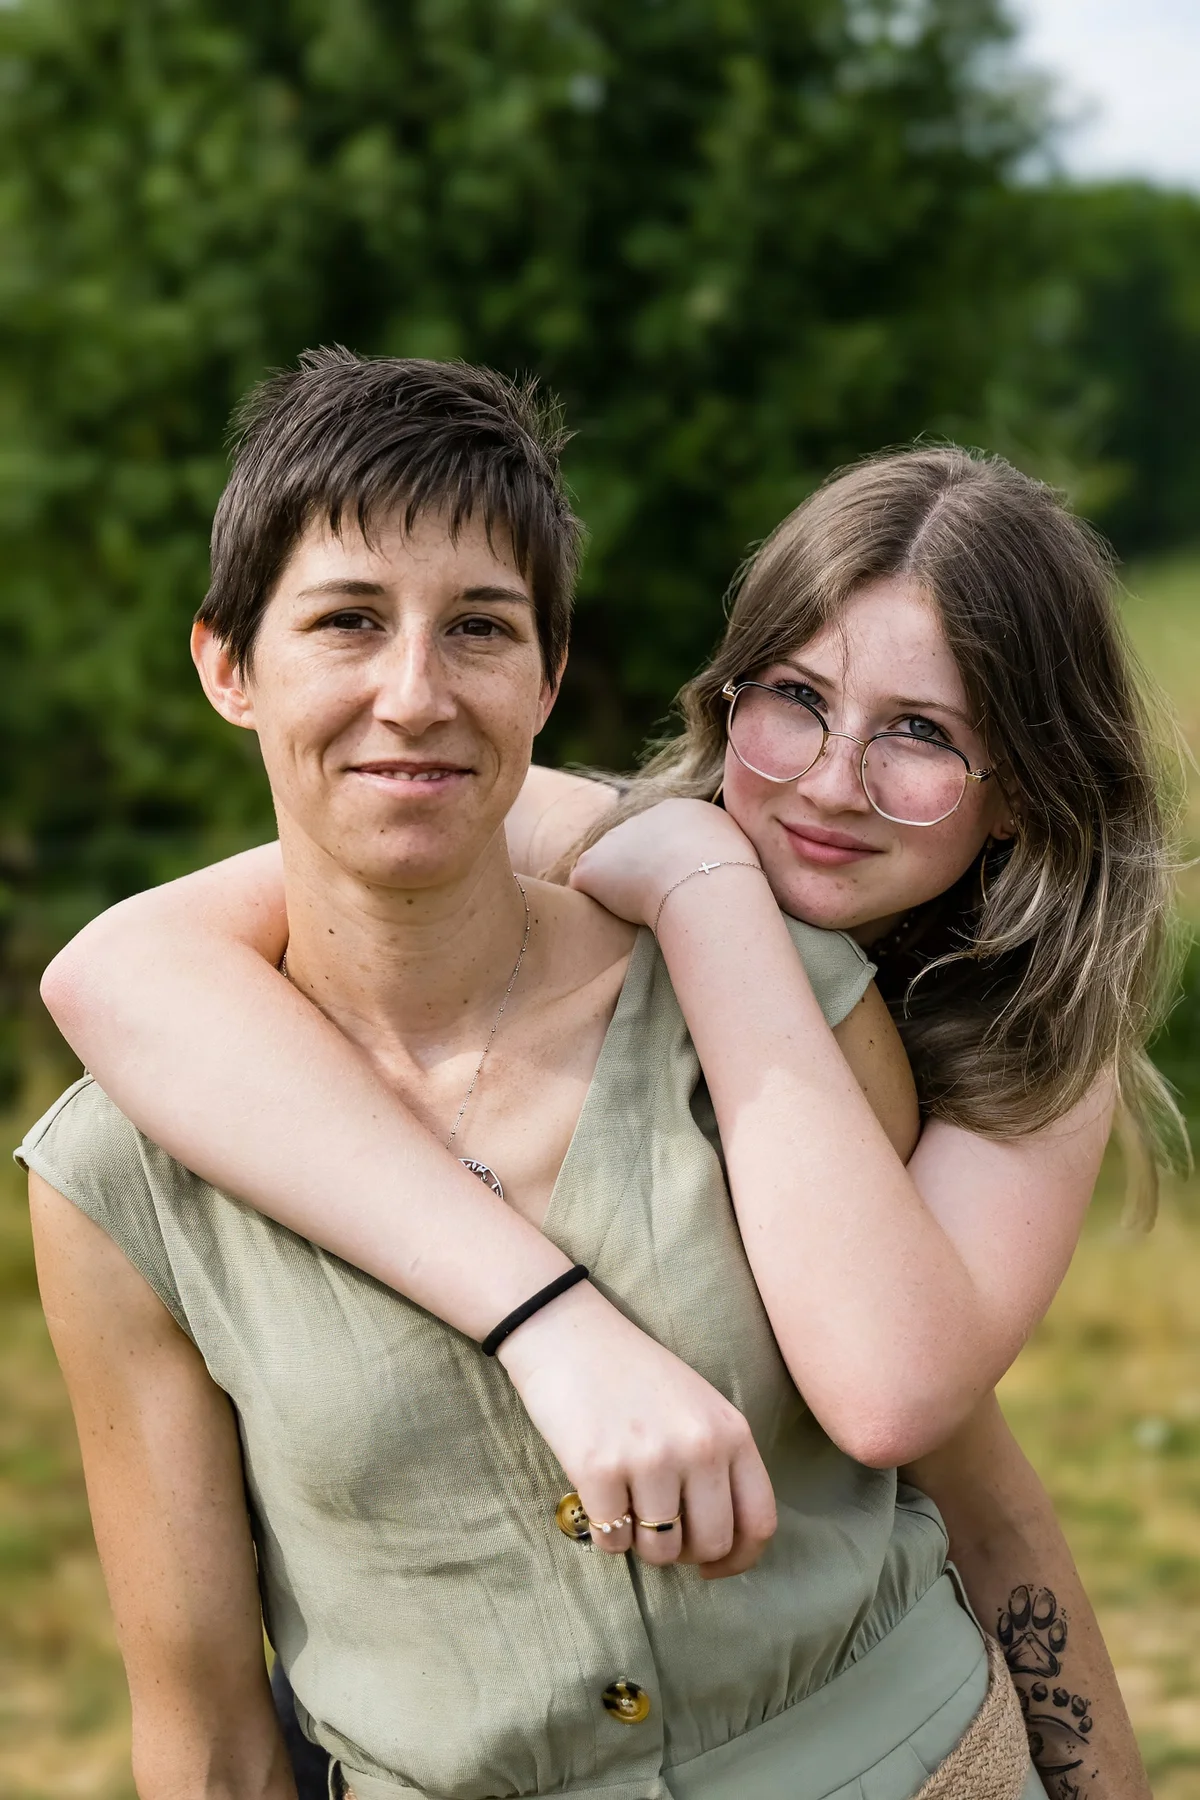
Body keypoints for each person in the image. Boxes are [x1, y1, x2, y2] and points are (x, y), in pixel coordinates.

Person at [34, 373, 1175, 1794]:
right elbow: (114, 969)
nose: (828, 786)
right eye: (798, 704)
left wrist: (712, 901)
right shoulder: (584, 823)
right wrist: (552, 1324)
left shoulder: (988, 1021)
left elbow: (935, 1443)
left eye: (924, 736)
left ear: (1028, 789)